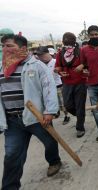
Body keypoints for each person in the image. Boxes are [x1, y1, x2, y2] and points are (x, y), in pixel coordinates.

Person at [0, 34, 62, 190]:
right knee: (12, 156)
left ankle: (54, 161)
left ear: (22, 48)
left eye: (9, 46)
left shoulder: (37, 66)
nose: (5, 49)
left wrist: (50, 111)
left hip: (37, 117)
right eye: (3, 46)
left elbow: (49, 89)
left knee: (49, 142)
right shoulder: (2, 67)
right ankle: (10, 187)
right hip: (12, 121)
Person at [55, 32, 87, 138]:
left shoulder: (80, 51)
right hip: (67, 82)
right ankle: (80, 115)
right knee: (68, 105)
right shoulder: (60, 53)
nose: (67, 41)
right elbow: (57, 66)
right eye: (65, 39)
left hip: (80, 82)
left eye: (69, 39)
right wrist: (59, 72)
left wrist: (82, 66)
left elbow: (87, 63)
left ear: (74, 40)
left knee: (79, 105)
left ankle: (80, 127)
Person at [36, 46, 70, 125]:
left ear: (48, 53)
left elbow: (64, 73)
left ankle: (66, 115)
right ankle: (55, 113)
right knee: (50, 102)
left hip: (58, 86)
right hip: (46, 88)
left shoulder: (55, 62)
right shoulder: (39, 64)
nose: (41, 57)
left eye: (43, 55)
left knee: (62, 103)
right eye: (39, 56)